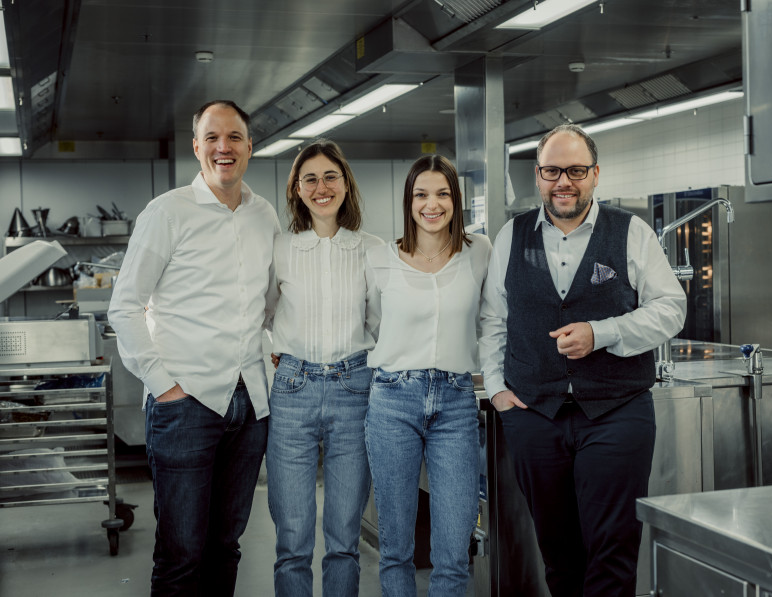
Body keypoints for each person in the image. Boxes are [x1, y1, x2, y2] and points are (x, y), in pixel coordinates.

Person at [479, 124, 686, 597]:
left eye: (575, 170)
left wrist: (604, 332)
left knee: (612, 548)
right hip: (534, 415)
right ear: (538, 176)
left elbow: (672, 308)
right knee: (558, 553)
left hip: (617, 413)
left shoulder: (632, 232)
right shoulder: (511, 237)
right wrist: (497, 390)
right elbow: (494, 320)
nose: (563, 181)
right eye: (553, 171)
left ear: (595, 175)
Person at [108, 100, 280, 596]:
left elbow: (269, 306)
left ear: (249, 147)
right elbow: (125, 307)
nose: (223, 147)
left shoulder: (263, 215)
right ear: (197, 147)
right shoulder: (167, 213)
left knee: (226, 545)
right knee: (182, 554)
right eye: (212, 137)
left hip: (249, 406)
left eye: (233, 138)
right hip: (185, 407)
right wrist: (164, 387)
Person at [364, 154, 492, 597]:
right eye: (421, 194)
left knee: (453, 553)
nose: (431, 204)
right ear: (409, 200)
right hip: (392, 402)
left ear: (456, 200)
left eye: (442, 193)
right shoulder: (381, 259)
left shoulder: (479, 252)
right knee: (397, 548)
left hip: (456, 403)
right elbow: (371, 325)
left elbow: (492, 323)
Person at [266, 140, 383, 596]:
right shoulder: (280, 248)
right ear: (296, 189)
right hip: (293, 389)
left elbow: (379, 323)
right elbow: (262, 314)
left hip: (355, 389)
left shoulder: (371, 249)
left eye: (330, 176)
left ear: (346, 183)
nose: (321, 187)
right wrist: (274, 352)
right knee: (292, 539)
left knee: (343, 538)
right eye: (309, 178)